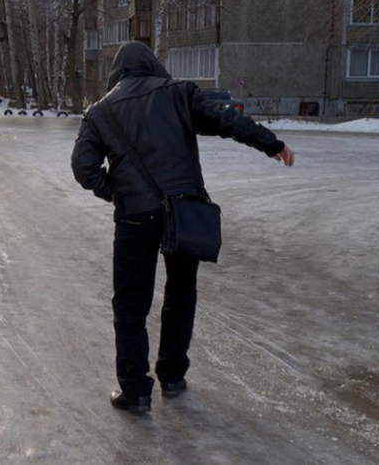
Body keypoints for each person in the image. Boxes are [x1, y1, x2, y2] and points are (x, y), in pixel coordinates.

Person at [71, 41, 294, 414]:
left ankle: (136, 390)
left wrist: (119, 193)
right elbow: (227, 119)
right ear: (153, 66)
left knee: (130, 303)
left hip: (134, 218)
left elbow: (83, 168)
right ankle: (172, 376)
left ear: (117, 73)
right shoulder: (178, 94)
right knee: (180, 294)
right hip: (184, 210)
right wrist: (271, 144)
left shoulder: (100, 112)